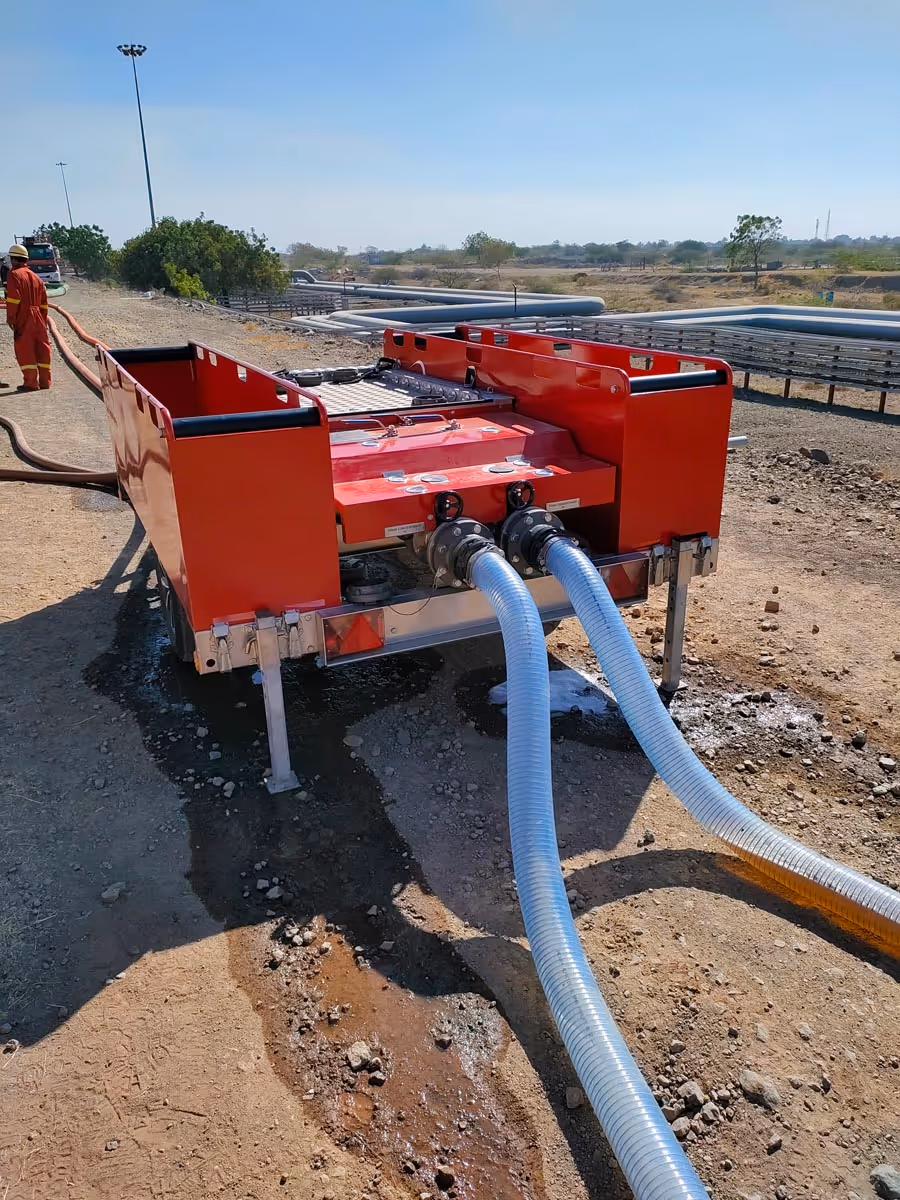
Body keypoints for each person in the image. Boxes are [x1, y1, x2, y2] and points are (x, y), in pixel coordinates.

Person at [5, 244, 51, 392]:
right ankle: (45, 381)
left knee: (25, 348)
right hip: (38, 317)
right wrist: (43, 320)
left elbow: (13, 299)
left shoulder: (14, 274)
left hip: (24, 316)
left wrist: (11, 319)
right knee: (42, 348)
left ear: (14, 259)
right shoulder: (36, 277)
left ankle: (31, 383)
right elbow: (44, 303)